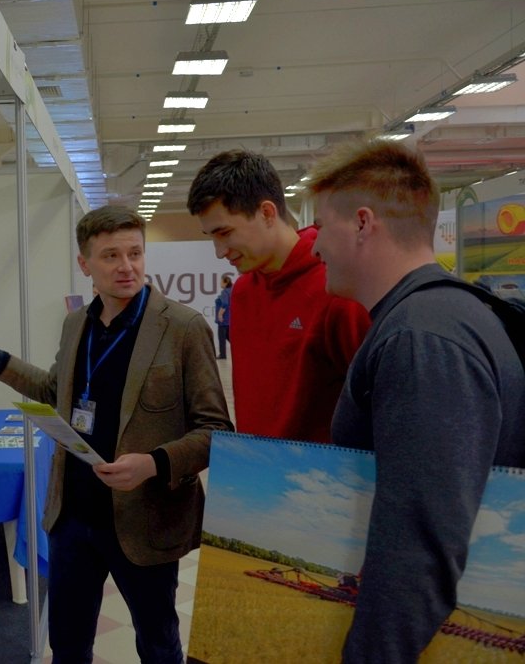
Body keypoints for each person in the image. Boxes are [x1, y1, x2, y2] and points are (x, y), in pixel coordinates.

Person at [0, 205, 232, 663]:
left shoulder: (182, 327)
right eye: (111, 256)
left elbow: (216, 430)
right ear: (85, 264)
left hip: (144, 516)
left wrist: (154, 463)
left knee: (158, 643)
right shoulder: (76, 323)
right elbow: (53, 391)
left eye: (135, 253)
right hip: (74, 517)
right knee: (69, 642)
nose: (126, 266)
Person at [305, 140, 525, 661]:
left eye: (320, 227)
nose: (314, 249)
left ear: (363, 223)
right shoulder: (445, 315)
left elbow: (419, 543)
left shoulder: (420, 337)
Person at [187, 150, 370, 442]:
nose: (219, 251)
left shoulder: (337, 288)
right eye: (212, 237)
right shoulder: (242, 293)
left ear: (267, 213)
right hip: (255, 467)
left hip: (322, 470)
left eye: (225, 233)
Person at [213, 275, 232, 359]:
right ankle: (242, 349)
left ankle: (222, 354)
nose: (220, 283)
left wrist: (220, 314)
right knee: (230, 337)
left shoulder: (224, 292)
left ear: (226, 282)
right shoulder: (231, 290)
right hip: (229, 319)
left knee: (222, 338)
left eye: (221, 281)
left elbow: (225, 304)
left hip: (223, 320)